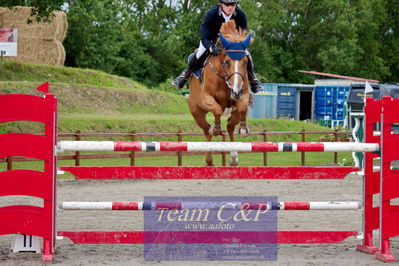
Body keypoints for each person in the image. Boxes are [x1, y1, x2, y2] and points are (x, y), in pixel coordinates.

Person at [172, 0, 263, 94]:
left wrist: (237, 44)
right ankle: (184, 76)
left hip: (231, 43)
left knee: (246, 54)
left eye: (233, 4)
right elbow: (204, 36)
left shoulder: (240, 15)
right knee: (199, 53)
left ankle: (254, 81)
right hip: (211, 40)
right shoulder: (212, 14)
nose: (230, 7)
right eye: (227, 4)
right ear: (221, 4)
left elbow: (243, 33)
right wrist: (211, 47)